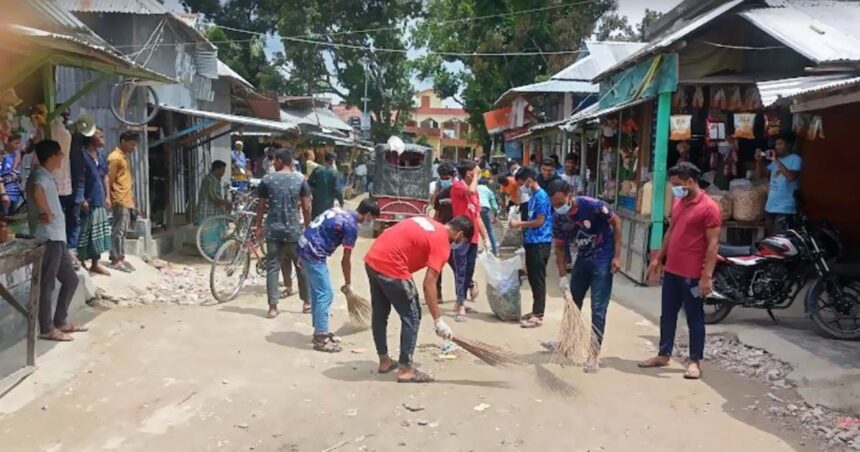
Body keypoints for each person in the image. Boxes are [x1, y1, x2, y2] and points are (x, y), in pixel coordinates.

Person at [364, 215, 474, 383]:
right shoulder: (442, 243)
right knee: (412, 315)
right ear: (459, 235)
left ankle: (384, 360)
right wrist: (438, 320)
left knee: (380, 312)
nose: (458, 246)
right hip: (392, 265)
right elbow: (429, 284)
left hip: (373, 258)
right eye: (462, 242)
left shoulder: (430, 223)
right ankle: (406, 370)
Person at [639, 162, 721, 380]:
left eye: (677, 184)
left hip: (693, 275)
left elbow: (713, 245)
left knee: (694, 317)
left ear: (690, 181)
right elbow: (671, 233)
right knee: (667, 315)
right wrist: (658, 258)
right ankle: (663, 354)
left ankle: (694, 361)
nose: (674, 188)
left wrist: (707, 276)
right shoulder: (678, 202)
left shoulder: (709, 208)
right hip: (672, 271)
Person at [548, 179, 622, 372]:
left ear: (569, 195)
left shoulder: (592, 205)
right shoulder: (558, 218)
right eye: (554, 205)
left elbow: (617, 222)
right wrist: (562, 276)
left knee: (598, 308)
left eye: (560, 202)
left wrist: (617, 255)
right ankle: (567, 342)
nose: (558, 207)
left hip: (602, 258)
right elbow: (560, 248)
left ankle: (593, 355)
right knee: (573, 303)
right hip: (582, 258)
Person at [299, 198, 380, 352]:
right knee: (325, 293)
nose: (371, 222)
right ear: (368, 215)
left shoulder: (339, 210)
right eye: (373, 218)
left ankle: (320, 329)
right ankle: (320, 338)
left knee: (318, 292)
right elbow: (346, 259)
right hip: (314, 253)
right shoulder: (351, 226)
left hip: (305, 246)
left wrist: (301, 253)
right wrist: (348, 283)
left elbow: (312, 226)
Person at [27, 140, 83, 342]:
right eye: (59, 154)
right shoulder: (39, 175)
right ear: (51, 156)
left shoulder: (47, 176)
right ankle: (47, 328)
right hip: (48, 237)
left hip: (58, 238)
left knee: (71, 280)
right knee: (47, 284)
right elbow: (36, 190)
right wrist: (47, 212)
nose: (62, 158)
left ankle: (60, 321)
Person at [255, 148, 311, 318]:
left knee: (272, 267)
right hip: (294, 230)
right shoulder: (300, 179)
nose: (273, 163)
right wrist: (308, 228)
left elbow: (261, 205)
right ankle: (307, 303)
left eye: (274, 160)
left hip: (273, 230)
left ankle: (273, 307)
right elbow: (306, 206)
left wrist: (258, 226)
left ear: (280, 160)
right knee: (300, 266)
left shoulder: (267, 179)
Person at [509, 167, 553, 328]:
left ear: (528, 180)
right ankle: (535, 310)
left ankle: (539, 314)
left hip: (540, 242)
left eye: (521, 183)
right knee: (533, 278)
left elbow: (540, 221)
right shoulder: (533, 197)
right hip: (532, 241)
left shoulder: (541, 197)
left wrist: (519, 224)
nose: (521, 187)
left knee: (538, 278)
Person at [450, 160, 490, 321]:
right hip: (460, 237)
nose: (478, 174)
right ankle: (460, 304)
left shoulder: (476, 193)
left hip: (473, 238)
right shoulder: (458, 186)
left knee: (469, 271)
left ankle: (461, 301)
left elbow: (477, 216)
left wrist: (485, 237)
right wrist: (476, 177)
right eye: (475, 171)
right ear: (468, 173)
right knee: (460, 271)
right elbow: (471, 190)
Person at [77, 128, 112, 275]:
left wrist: (108, 196)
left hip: (99, 199)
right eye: (99, 134)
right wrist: (82, 198)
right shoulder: (81, 156)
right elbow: (79, 178)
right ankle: (82, 262)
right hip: (87, 200)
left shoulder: (102, 156)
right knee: (84, 232)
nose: (102, 136)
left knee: (98, 233)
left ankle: (95, 263)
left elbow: (105, 177)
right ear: (90, 138)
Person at [756, 134, 801, 236]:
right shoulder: (776, 161)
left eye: (780, 144)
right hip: (770, 207)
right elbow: (760, 176)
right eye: (776, 144)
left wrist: (775, 160)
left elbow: (791, 177)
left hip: (785, 208)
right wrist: (758, 161)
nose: (776, 147)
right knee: (771, 240)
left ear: (789, 145)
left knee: (781, 241)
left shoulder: (795, 159)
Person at [107, 131, 138, 272]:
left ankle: (121, 257)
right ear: (123, 141)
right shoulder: (115, 158)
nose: (134, 147)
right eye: (132, 144)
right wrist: (109, 197)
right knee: (118, 231)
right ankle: (115, 259)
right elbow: (109, 179)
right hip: (119, 199)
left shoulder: (124, 157)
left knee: (123, 231)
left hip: (126, 199)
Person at [431, 161, 456, 301]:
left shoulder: (459, 194)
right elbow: (437, 214)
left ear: (453, 177)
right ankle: (438, 294)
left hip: (457, 233)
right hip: (442, 233)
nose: (445, 180)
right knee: (438, 264)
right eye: (443, 178)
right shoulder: (440, 197)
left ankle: (468, 287)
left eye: (447, 178)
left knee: (455, 263)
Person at [196, 160, 232, 256]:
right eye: (222, 170)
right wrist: (226, 202)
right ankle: (209, 254)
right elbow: (214, 197)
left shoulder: (214, 180)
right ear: (217, 169)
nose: (223, 173)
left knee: (214, 235)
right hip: (207, 213)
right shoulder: (211, 180)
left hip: (213, 214)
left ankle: (214, 254)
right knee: (208, 236)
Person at [308, 152, 344, 220]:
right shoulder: (335, 173)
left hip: (316, 202)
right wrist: (341, 202)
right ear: (332, 161)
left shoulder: (317, 169)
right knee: (325, 221)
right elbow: (338, 190)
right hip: (328, 203)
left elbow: (309, 183)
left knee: (315, 221)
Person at [1, 133, 23, 215]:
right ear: (8, 142)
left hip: (15, 194)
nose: (18, 146)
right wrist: (3, 193)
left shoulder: (16, 156)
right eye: (16, 143)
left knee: (11, 220)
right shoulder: (2, 156)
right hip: (5, 195)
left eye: (19, 143)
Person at [477, 178, 499, 255]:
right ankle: (495, 250)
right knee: (489, 228)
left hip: (476, 208)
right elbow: (494, 206)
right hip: (485, 208)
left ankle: (473, 250)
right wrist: (495, 216)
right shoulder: (488, 190)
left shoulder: (475, 188)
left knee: (475, 229)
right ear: (486, 184)